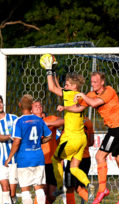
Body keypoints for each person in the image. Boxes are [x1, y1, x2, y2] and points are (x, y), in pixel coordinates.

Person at [63, 72, 119, 204]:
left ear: (102, 82)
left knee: (99, 156)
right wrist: (65, 107)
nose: (93, 84)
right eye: (92, 82)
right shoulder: (91, 93)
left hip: (117, 129)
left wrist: (82, 95)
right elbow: (79, 108)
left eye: (95, 82)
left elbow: (94, 102)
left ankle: (102, 190)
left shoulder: (109, 91)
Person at [41, 62, 91, 195]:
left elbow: (52, 88)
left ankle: (59, 186)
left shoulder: (69, 94)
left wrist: (48, 70)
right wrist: (55, 72)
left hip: (71, 138)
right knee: (74, 168)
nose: (65, 86)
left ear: (74, 86)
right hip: (81, 140)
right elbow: (58, 88)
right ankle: (88, 184)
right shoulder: (80, 96)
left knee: (55, 159)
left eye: (67, 84)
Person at [4, 94, 52, 204]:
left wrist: (9, 157)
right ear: (31, 106)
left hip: (24, 160)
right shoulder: (39, 119)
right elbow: (48, 136)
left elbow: (17, 141)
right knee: (39, 188)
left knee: (25, 190)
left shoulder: (18, 121)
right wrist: (40, 142)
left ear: (20, 106)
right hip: (38, 157)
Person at [64, 115, 108, 204]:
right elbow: (92, 141)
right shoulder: (88, 121)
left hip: (74, 159)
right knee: (79, 188)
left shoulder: (69, 121)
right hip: (86, 158)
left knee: (70, 188)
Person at [31, 101, 64, 204]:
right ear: (31, 110)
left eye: (40, 104)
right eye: (35, 105)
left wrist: (48, 123)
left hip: (52, 163)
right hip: (39, 162)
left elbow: (63, 121)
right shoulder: (29, 122)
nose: (39, 106)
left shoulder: (50, 119)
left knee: (52, 196)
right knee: (41, 191)